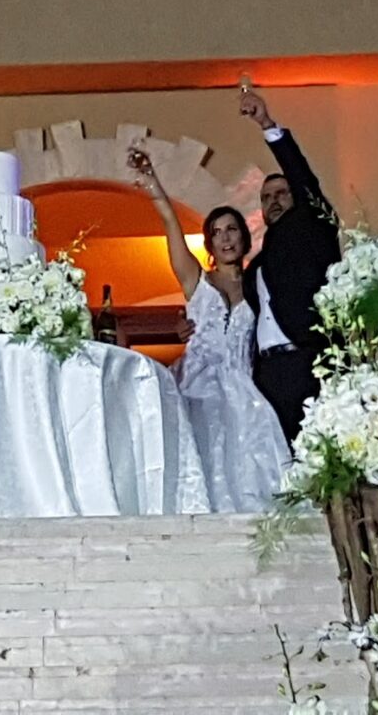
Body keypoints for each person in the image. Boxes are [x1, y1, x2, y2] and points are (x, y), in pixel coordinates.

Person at [128, 146, 291, 513]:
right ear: (210, 243)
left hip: (245, 387)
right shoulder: (196, 282)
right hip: (196, 386)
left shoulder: (260, 282)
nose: (226, 237)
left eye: (232, 229)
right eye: (217, 232)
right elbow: (170, 223)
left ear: (244, 237)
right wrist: (153, 182)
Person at [238, 91, 341, 444]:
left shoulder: (312, 227)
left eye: (282, 193)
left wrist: (268, 125)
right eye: (266, 198)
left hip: (307, 363)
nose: (273, 201)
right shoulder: (256, 267)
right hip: (267, 374)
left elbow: (303, 179)